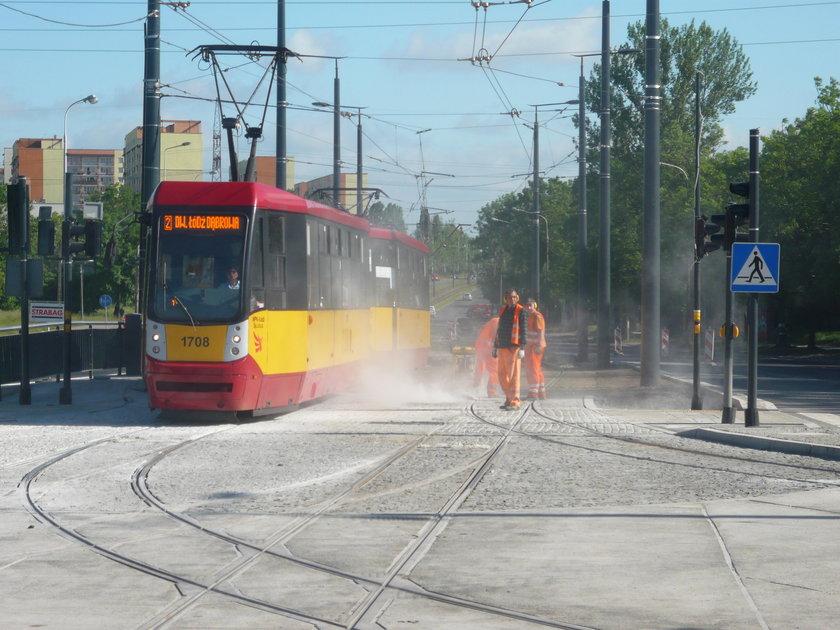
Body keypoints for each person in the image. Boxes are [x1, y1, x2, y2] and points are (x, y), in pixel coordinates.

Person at [493, 289, 527, 410]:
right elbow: (499, 329)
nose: (512, 299)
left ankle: (515, 401)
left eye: (514, 297)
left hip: (514, 347)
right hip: (502, 346)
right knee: (502, 375)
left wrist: (522, 347)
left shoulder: (520, 310)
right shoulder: (503, 310)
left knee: (513, 376)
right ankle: (508, 398)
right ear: (506, 299)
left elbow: (523, 330)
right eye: (510, 297)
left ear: (517, 298)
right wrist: (495, 346)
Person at [524, 298, 547, 399]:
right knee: (536, 369)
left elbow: (540, 331)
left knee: (532, 369)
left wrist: (539, 345)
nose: (529, 307)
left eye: (531, 305)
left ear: (535, 306)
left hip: (535, 347)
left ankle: (533, 393)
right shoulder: (530, 316)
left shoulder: (537, 316)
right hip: (531, 347)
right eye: (527, 305)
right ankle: (541, 392)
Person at [473, 316, 500, 397]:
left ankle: (475, 388)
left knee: (480, 368)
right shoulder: (498, 321)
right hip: (489, 348)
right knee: (495, 370)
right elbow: (495, 335)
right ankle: (492, 392)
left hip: (481, 346)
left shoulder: (494, 320)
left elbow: (480, 331)